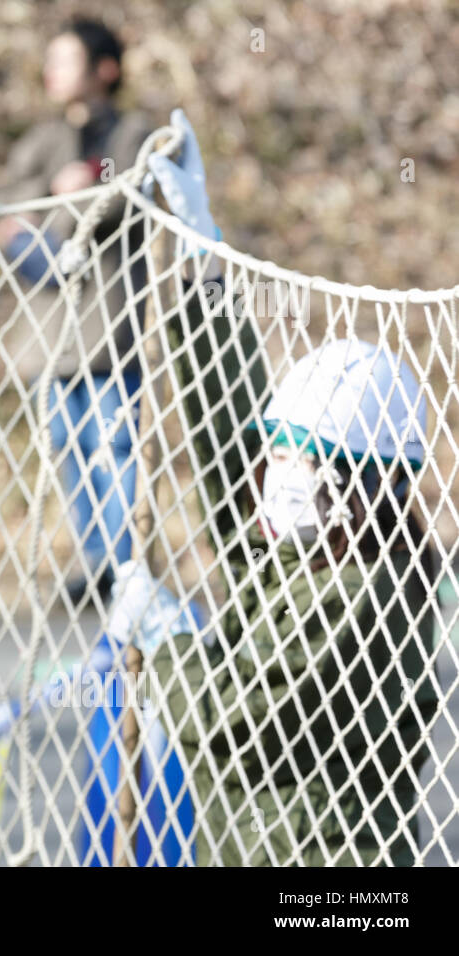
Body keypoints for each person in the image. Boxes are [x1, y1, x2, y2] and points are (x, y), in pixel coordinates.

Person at [110, 110, 439, 866]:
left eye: (305, 460)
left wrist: (163, 642)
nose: (278, 478)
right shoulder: (299, 552)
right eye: (279, 455)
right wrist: (204, 263)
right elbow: (229, 429)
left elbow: (232, 716)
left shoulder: (366, 590)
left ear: (372, 485)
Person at [0, 18, 155, 605]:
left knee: (114, 445)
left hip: (110, 325)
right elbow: (11, 226)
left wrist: (71, 196)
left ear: (105, 70)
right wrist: (54, 219)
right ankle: (92, 564)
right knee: (68, 445)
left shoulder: (135, 134)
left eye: (66, 60)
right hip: (50, 330)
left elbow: (122, 202)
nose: (51, 72)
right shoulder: (38, 143)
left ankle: (125, 565)